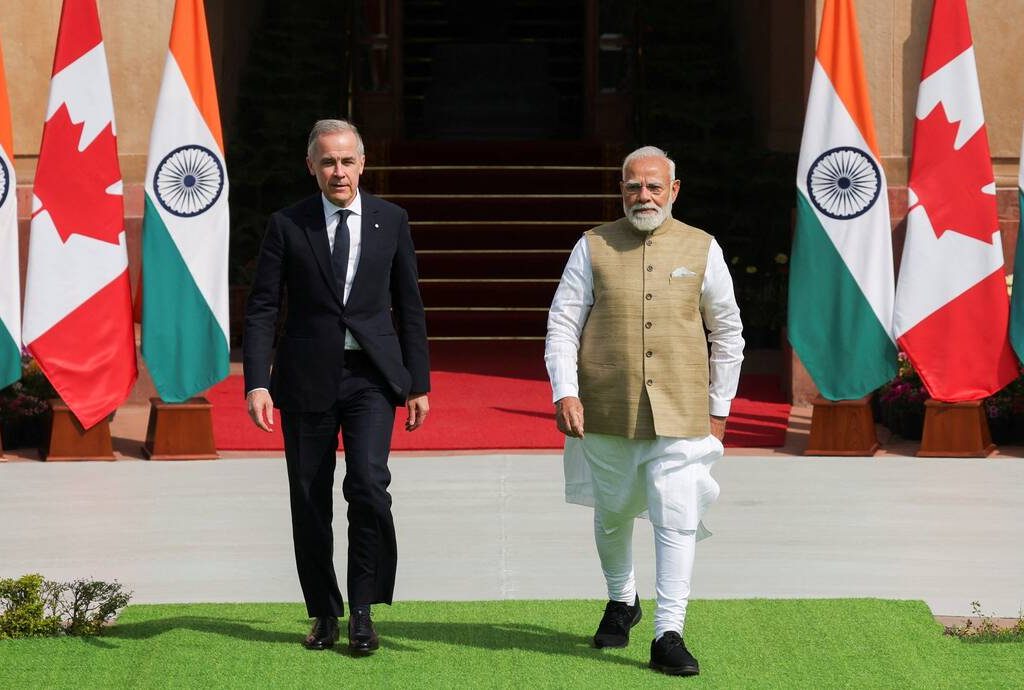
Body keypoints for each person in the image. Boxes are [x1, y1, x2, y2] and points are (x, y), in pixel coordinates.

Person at [545, 146, 743, 677]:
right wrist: (565, 390)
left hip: (683, 411)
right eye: (634, 187)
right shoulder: (592, 245)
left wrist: (720, 407)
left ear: (673, 190)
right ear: (621, 190)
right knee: (612, 515)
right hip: (605, 408)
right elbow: (562, 324)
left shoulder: (702, 247)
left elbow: (727, 332)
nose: (644, 196)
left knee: (675, 518)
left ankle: (668, 632)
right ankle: (622, 599)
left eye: (654, 187)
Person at [243, 119, 430, 654]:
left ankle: (365, 609)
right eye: (328, 162)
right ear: (311, 167)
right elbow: (261, 309)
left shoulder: (391, 221)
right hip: (305, 379)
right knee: (309, 499)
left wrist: (417, 382)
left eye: (347, 161)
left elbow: (410, 306)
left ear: (362, 164)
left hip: (371, 378)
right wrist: (258, 381)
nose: (338, 171)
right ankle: (324, 611)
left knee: (369, 487)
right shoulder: (287, 224)